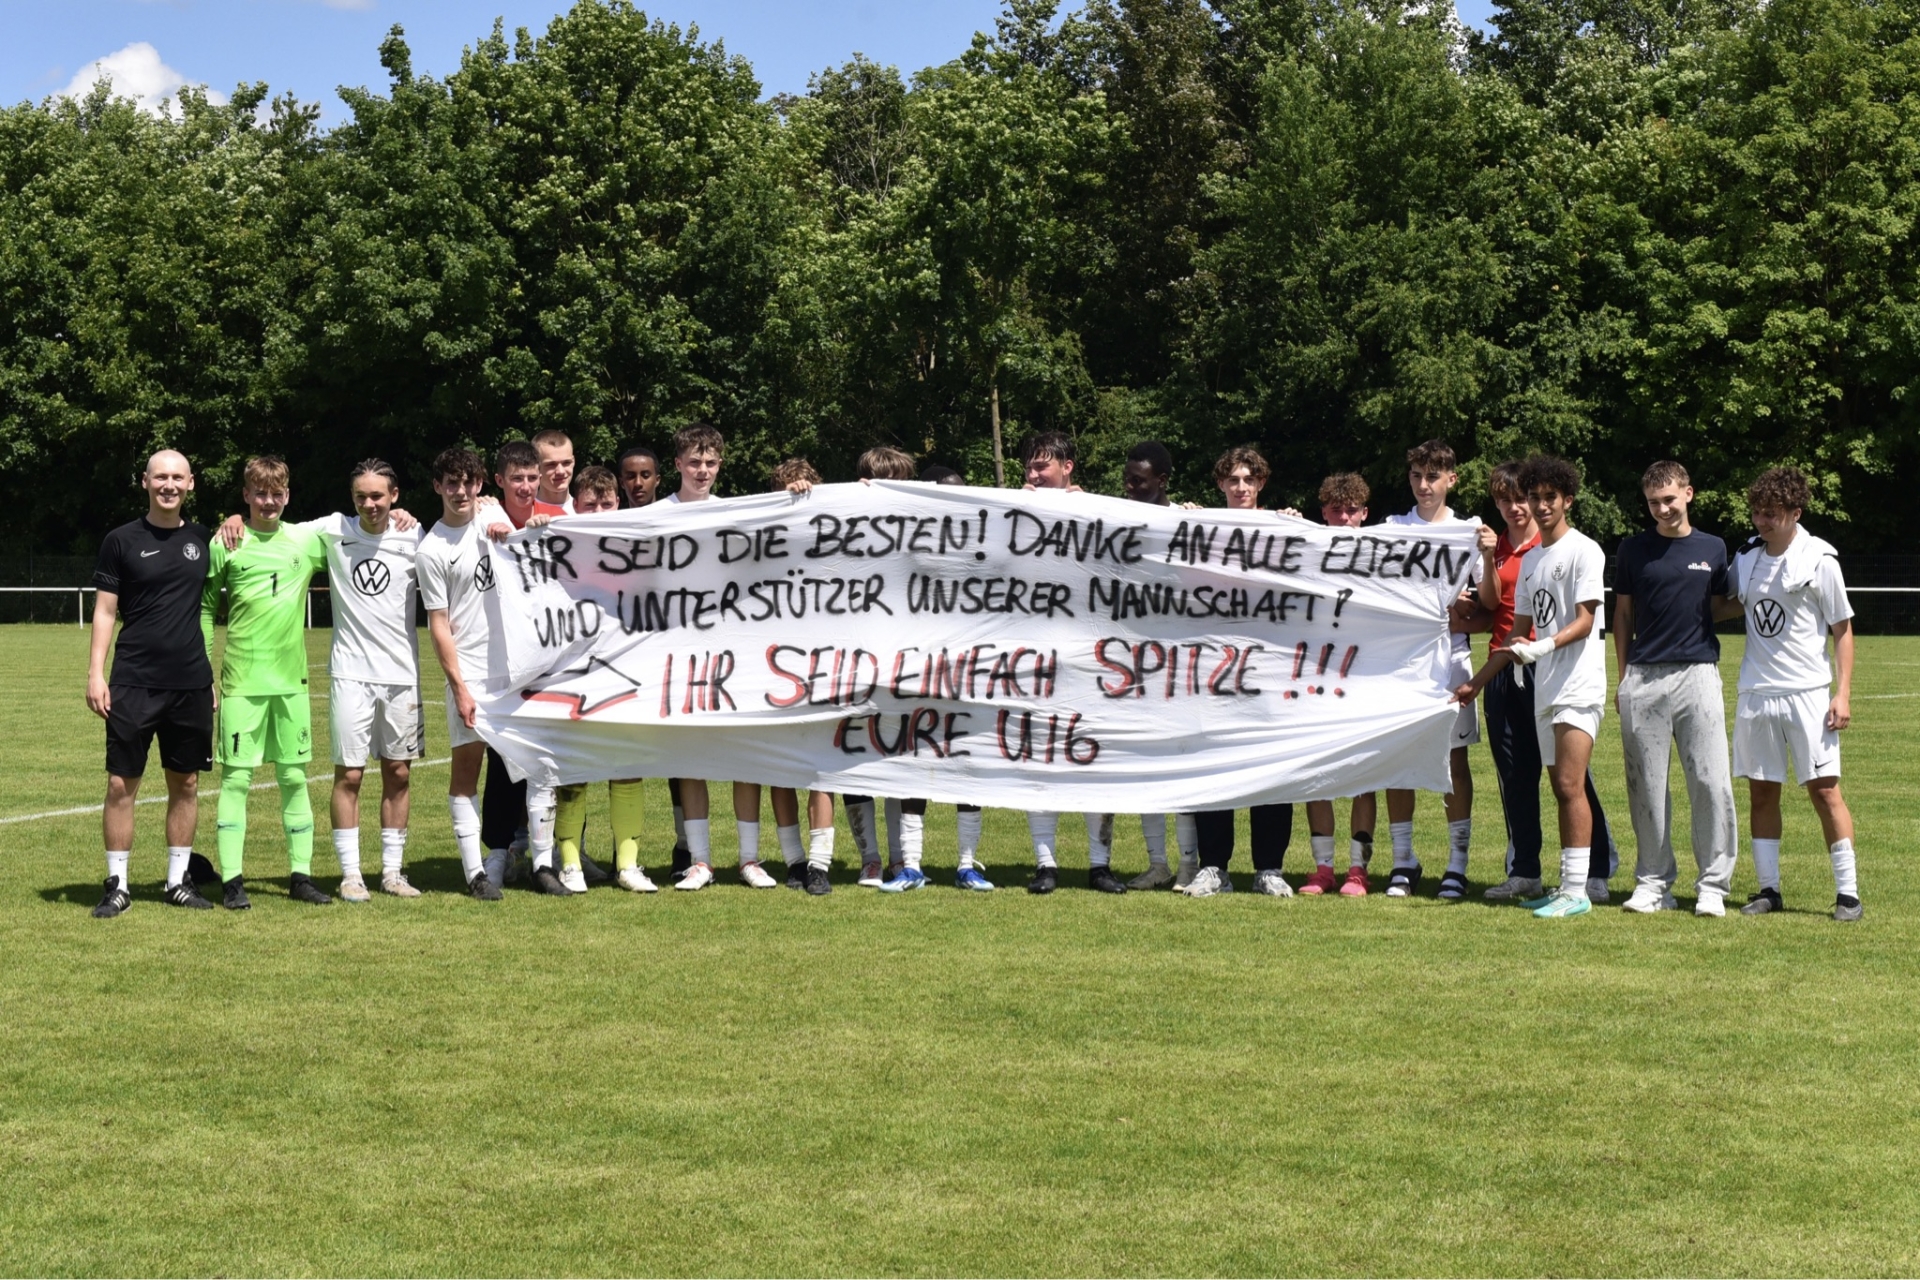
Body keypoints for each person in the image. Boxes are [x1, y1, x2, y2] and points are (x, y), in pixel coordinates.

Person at [1454, 454, 1606, 920]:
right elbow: (1514, 634)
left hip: (1577, 682)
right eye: (1534, 496)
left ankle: (1579, 888)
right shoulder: (1532, 560)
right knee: (1554, 785)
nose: (1540, 505)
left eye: (1548, 497)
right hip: (1544, 687)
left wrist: (1543, 646)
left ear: (1567, 500)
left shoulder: (1585, 550)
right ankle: (1558, 883)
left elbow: (1585, 619)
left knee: (1569, 782)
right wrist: (1476, 683)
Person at [85, 449, 217, 917]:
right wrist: (96, 673)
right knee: (121, 785)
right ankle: (117, 885)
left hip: (191, 683)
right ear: (145, 482)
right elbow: (105, 611)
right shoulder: (120, 540)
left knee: (186, 783)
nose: (169, 485)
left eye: (177, 477)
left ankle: (178, 881)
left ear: (191, 483)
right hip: (134, 681)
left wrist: (236, 518)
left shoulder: (205, 539)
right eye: (160, 477)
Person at [1726, 467, 1861, 922]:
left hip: (1808, 694)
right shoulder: (1746, 556)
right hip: (1756, 693)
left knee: (1825, 792)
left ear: (1795, 512)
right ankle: (1769, 890)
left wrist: (1842, 693)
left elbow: (1842, 629)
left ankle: (1848, 895)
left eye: (1772, 514)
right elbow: (1726, 604)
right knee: (1762, 794)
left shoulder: (1820, 559)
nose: (1762, 521)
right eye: (1757, 512)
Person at [199, 456, 331, 909]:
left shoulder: (306, 541)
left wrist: (399, 514)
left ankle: (302, 877)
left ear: (287, 495)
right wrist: (204, 670)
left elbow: (361, 535)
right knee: (236, 780)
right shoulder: (226, 543)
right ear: (246, 495)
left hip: (291, 684)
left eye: (276, 494)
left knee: (294, 777)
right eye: (260, 493)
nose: (268, 502)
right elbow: (204, 609)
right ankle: (233, 882)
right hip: (241, 683)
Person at [1613, 461, 1739, 916]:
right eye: (1653, 502)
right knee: (1646, 786)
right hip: (1643, 677)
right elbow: (1622, 615)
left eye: (1669, 499)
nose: (1662, 509)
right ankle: (1653, 884)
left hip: (1698, 674)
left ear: (1688, 493)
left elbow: (1719, 605)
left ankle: (1713, 886)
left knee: (1711, 782)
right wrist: (1623, 677)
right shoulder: (1632, 549)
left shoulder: (1714, 547)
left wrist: (1761, 591)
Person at [1382, 440, 1487, 899]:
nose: (1423, 485)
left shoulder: (1469, 531)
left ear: (1451, 479)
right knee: (1400, 762)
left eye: (1432, 476)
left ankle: (1456, 864)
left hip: (1452, 660)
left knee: (1454, 764)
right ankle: (1402, 861)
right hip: (1402, 664)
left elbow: (1491, 606)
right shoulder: (1393, 528)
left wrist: (1465, 606)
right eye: (1416, 476)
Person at [547, 466, 656, 893]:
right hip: (571, 676)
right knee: (573, 772)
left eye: (605, 504)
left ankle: (627, 865)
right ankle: (570, 863)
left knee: (627, 770)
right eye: (589, 504)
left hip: (625, 673)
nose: (597, 511)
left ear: (618, 504)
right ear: (575, 505)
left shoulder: (637, 546)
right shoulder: (554, 545)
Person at [1018, 431, 1118, 894]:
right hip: (1033, 659)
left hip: (1089, 657)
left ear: (1067, 467)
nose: (1034, 474)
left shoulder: (1095, 510)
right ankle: (1045, 864)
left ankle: (1100, 865)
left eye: (1042, 466)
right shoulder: (1011, 512)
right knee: (1039, 758)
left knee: (1094, 758)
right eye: (1030, 467)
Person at [477, 441, 568, 895]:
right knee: (502, 760)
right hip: (496, 664)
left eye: (533, 477)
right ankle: (497, 854)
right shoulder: (481, 521)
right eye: (518, 478)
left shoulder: (557, 520)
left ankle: (545, 860)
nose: (527, 486)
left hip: (549, 663)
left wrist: (545, 532)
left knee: (547, 762)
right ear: (499, 481)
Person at [415, 446, 504, 900]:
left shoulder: (494, 516)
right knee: (467, 769)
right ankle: (475, 873)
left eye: (469, 482)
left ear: (480, 484)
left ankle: (543, 860)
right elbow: (439, 623)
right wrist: (459, 687)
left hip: (515, 670)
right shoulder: (431, 549)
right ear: (438, 487)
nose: (461, 491)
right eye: (452, 482)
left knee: (535, 766)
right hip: (470, 673)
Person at [1298, 472, 1380, 897]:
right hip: (1318, 676)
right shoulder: (1307, 550)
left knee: (1363, 777)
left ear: (1364, 514)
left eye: (1351, 510)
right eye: (1336, 510)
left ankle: (1358, 869)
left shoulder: (1384, 556)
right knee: (1318, 774)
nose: (1344, 518)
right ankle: (1323, 868)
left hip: (1365, 677)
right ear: (1323, 513)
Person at [917, 462, 997, 892]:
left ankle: (967, 863)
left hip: (970, 673)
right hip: (916, 673)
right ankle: (910, 863)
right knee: (912, 762)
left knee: (969, 765)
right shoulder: (905, 545)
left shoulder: (980, 545)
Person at [531, 429, 576, 517]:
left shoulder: (587, 511)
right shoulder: (524, 513)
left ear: (573, 462)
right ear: (535, 466)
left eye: (566, 463)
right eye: (551, 464)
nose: (561, 471)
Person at [617, 445, 662, 509]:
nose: (638, 483)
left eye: (645, 476)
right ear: (622, 483)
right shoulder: (612, 515)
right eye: (631, 476)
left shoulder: (673, 514)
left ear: (657, 480)